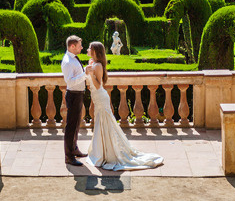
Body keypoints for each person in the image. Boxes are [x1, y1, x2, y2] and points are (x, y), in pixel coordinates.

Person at [85, 41, 164, 170]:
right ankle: (101, 151)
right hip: (97, 98)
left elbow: (99, 85)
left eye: (90, 48)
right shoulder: (93, 63)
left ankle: (105, 153)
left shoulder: (98, 65)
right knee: (101, 124)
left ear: (95, 51)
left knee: (105, 124)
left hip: (100, 97)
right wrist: (89, 70)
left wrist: (90, 73)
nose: (87, 50)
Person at [61, 35, 88, 166]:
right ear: (72, 47)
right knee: (71, 127)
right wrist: (85, 74)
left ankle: (74, 149)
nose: (81, 48)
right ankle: (69, 156)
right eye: (79, 46)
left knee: (76, 124)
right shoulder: (67, 62)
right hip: (73, 94)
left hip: (78, 94)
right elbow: (70, 82)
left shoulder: (73, 58)